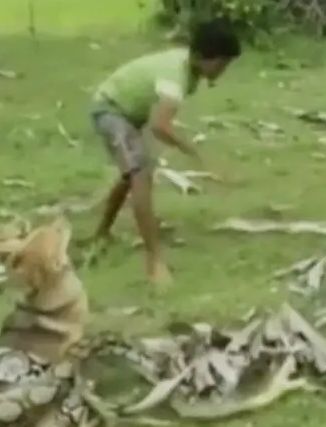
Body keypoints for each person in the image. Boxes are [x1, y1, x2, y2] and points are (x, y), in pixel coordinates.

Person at [88, 18, 241, 284]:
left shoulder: (187, 67)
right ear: (201, 57)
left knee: (132, 174)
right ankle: (154, 262)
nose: (222, 70)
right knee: (140, 176)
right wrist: (196, 154)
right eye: (221, 63)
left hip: (126, 113)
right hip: (111, 110)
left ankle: (101, 234)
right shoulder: (176, 77)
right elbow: (160, 126)